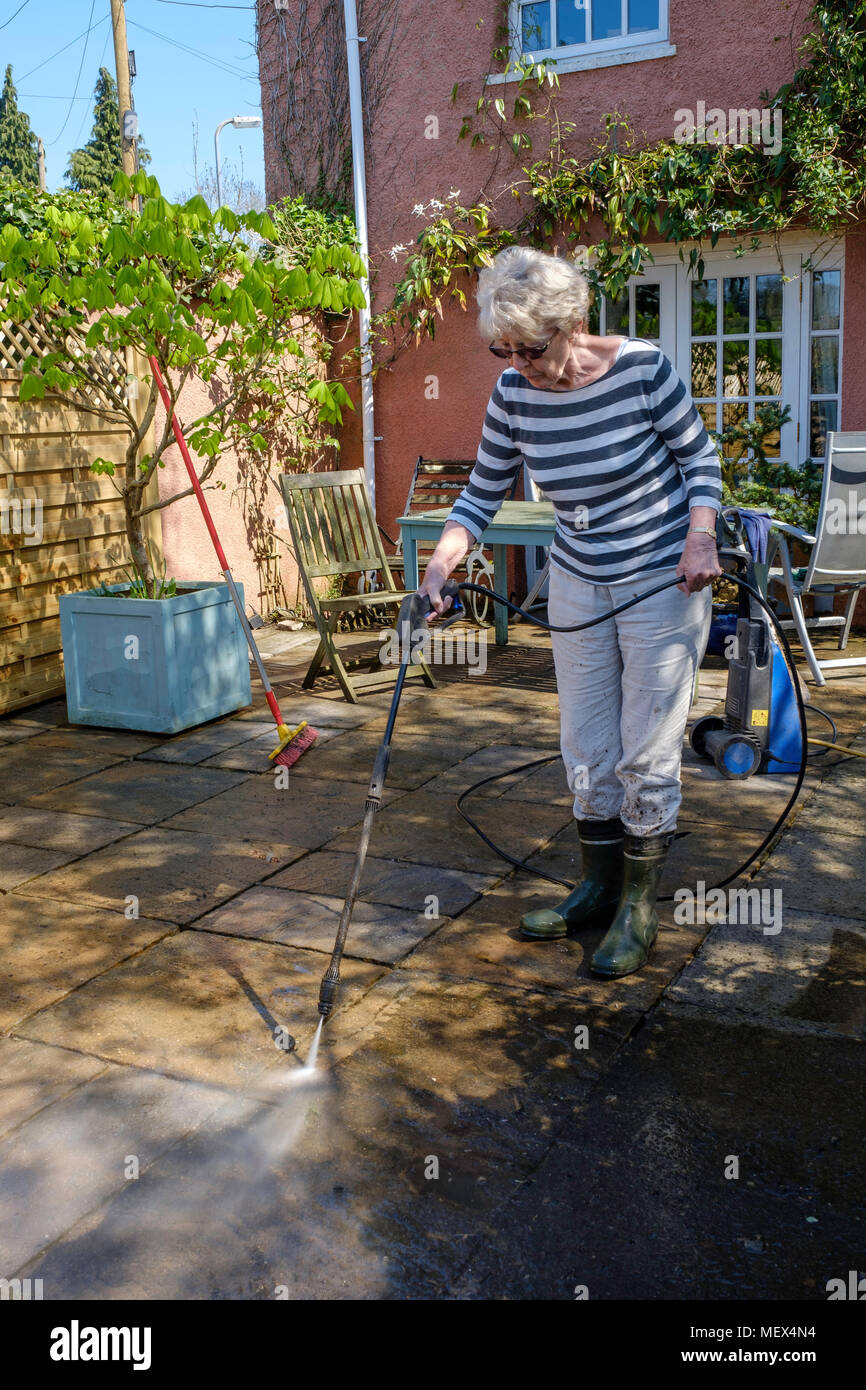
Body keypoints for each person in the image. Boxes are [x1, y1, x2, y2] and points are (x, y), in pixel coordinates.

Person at [417, 245, 723, 978]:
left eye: (531, 348)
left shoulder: (643, 369)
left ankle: (639, 908)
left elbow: (701, 463)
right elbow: (481, 493)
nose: (519, 363)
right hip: (580, 580)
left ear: (572, 323)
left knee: (645, 748)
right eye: (505, 349)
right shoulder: (513, 394)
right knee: (587, 744)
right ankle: (597, 885)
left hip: (662, 581)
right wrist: (441, 561)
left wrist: (701, 538)